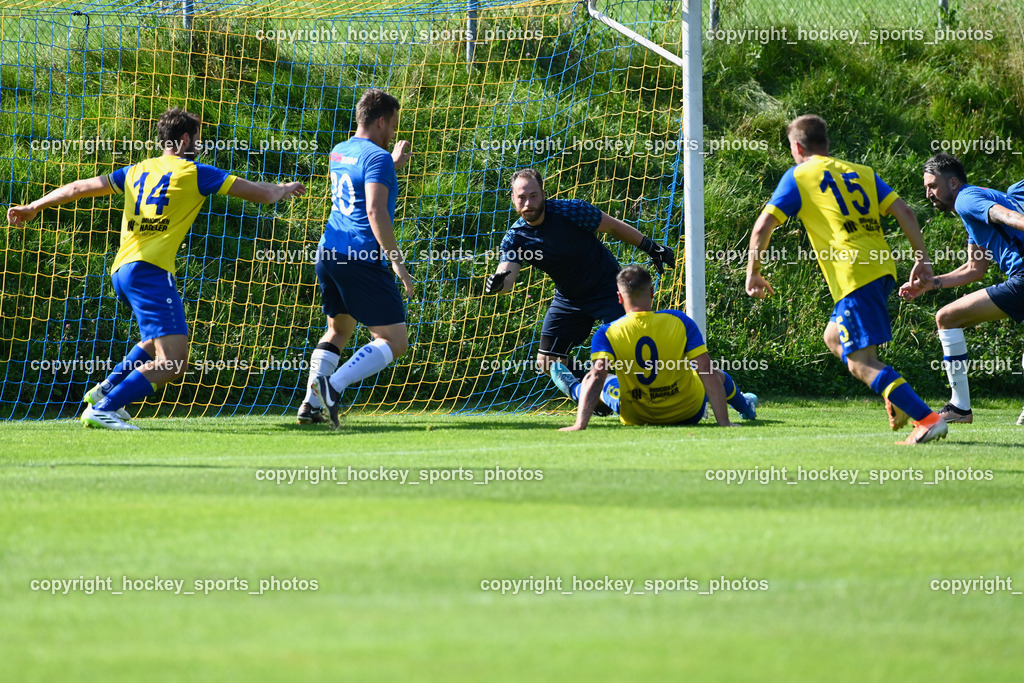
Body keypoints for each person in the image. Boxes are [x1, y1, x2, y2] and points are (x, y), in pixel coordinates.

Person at [6, 107, 306, 429]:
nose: (201, 145)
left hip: (122, 271)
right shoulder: (195, 172)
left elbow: (78, 187)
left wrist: (35, 205)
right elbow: (262, 194)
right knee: (174, 362)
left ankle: (105, 390)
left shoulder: (136, 170)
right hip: (151, 272)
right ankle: (104, 408)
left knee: (155, 340)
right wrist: (284, 188)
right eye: (198, 138)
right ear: (186, 138)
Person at [745, 114, 946, 445]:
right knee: (834, 338)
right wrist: (922, 260)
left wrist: (753, 272)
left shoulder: (799, 175)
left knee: (859, 363)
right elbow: (906, 212)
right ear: (826, 143)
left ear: (797, 148)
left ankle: (927, 418)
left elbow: (762, 226)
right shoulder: (862, 172)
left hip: (854, 274)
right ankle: (896, 397)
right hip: (881, 269)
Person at [484, 168, 676, 402]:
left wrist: (651, 247)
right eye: (522, 197)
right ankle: (596, 395)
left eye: (533, 196)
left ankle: (668, 393)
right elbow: (506, 277)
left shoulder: (571, 211)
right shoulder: (516, 237)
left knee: (629, 351)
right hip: (570, 298)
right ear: (513, 199)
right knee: (548, 361)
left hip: (608, 289)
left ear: (543, 194)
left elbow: (613, 226)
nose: (528, 203)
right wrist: (497, 284)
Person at [303, 89, 414, 429]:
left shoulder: (340, 151)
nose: (392, 132)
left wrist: (391, 164)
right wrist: (397, 261)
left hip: (329, 252)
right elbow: (374, 210)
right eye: (392, 125)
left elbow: (359, 183)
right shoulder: (377, 158)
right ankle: (331, 387)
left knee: (338, 330)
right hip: (360, 257)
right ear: (380, 121)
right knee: (394, 341)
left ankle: (310, 404)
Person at [898, 152, 1024, 425]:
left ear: (953, 183)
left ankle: (960, 408)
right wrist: (929, 285)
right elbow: (974, 269)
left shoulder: (967, 200)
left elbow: (1005, 215)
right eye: (926, 188)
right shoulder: (980, 204)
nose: (929, 194)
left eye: (933, 186)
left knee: (947, 318)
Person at [554, 265, 757, 430]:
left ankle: (575, 389)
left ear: (619, 297)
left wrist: (579, 425)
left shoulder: (607, 332)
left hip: (638, 416)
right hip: (687, 412)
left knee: (603, 380)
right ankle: (745, 406)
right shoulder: (679, 320)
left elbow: (597, 376)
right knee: (717, 374)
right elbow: (706, 370)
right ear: (652, 292)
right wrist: (724, 423)